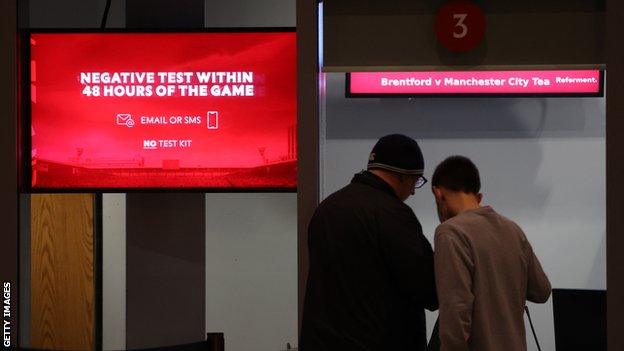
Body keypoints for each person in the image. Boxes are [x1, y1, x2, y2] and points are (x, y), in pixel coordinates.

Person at [300, 134, 438, 351]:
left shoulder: (327, 209)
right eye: (416, 181)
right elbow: (428, 288)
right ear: (402, 176)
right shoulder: (392, 214)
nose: (412, 191)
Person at [430, 156, 551, 351]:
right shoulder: (513, 230)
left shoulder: (450, 232)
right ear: (477, 194)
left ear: (438, 193)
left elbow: (455, 309)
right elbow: (542, 290)